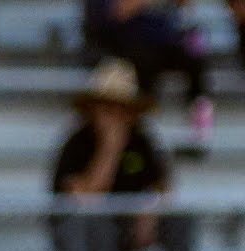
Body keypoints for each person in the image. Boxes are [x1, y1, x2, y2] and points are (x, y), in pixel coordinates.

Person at [52, 61, 198, 251]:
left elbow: (162, 185)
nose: (115, 117)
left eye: (121, 108)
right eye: (107, 107)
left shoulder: (142, 140)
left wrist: (150, 212)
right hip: (81, 233)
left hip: (126, 227)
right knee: (95, 224)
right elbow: (84, 198)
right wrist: (110, 149)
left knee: (180, 219)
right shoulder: (77, 143)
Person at [86, 0, 213, 147]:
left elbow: (184, 8)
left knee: (193, 56)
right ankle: (140, 125)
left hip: (163, 41)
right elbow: (115, 14)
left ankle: (199, 116)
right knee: (144, 62)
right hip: (129, 44)